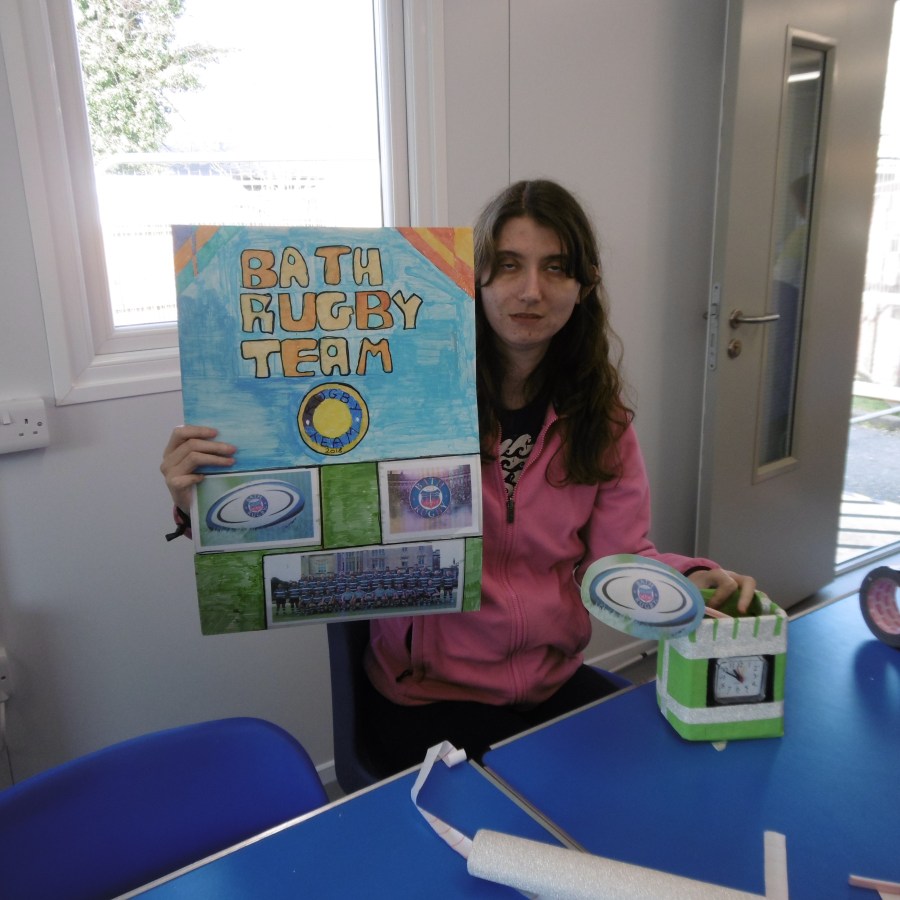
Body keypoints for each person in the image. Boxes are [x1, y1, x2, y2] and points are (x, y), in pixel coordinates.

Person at [161, 179, 756, 775]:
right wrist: (202, 503)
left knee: (664, 787)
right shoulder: (405, 401)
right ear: (476, 278)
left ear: (584, 284)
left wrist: (693, 577)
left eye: (555, 267)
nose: (531, 290)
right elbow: (315, 522)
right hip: (428, 699)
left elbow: (619, 557)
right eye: (509, 265)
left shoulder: (601, 420)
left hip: (550, 684)